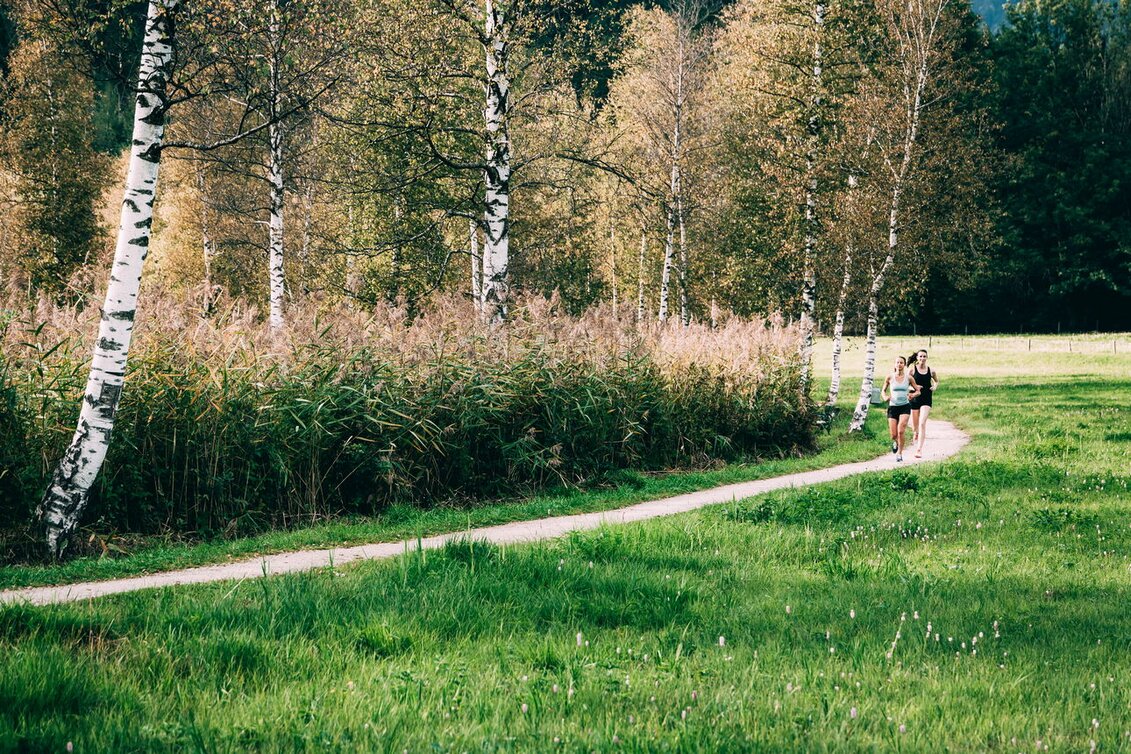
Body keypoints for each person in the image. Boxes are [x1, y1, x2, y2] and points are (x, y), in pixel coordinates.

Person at [881, 355, 920, 462]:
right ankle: (896, 442)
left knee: (901, 431)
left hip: (905, 406)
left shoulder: (909, 378)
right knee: (893, 435)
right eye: (897, 362)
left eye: (901, 362)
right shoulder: (889, 377)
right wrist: (885, 397)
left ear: (904, 365)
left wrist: (913, 395)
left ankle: (899, 453)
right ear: (895, 364)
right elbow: (883, 390)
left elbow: (918, 391)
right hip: (893, 407)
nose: (899, 364)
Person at [908, 348, 939, 458]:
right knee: (915, 426)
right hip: (915, 398)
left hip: (926, 398)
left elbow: (936, 381)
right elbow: (906, 384)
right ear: (917, 358)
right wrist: (914, 387)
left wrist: (934, 386)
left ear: (927, 357)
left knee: (922, 423)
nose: (922, 358)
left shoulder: (931, 371)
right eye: (920, 356)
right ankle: (915, 432)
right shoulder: (912, 370)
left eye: (924, 356)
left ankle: (919, 450)